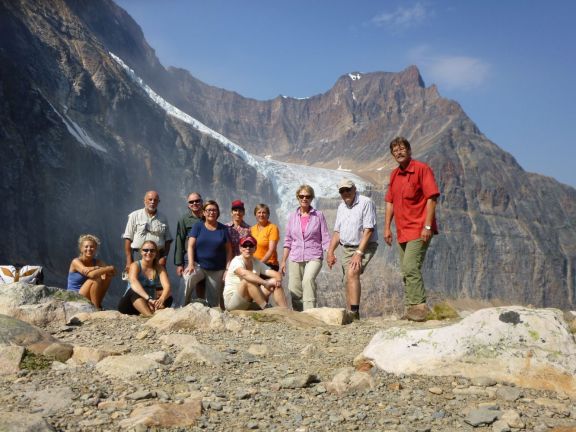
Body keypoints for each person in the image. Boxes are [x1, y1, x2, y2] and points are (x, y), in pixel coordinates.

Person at [384, 136, 440, 322]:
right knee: (406, 270)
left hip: (419, 228)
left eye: (402, 149)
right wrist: (387, 228)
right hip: (402, 230)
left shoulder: (421, 169)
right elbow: (390, 202)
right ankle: (410, 309)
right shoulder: (394, 175)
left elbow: (431, 198)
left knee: (410, 266)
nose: (399, 152)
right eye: (395, 150)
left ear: (409, 150)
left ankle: (419, 307)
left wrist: (427, 225)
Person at [327, 179, 378, 320]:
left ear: (354, 189)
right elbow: (337, 232)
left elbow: (368, 230)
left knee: (352, 272)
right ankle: (350, 313)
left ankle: (355, 315)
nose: (345, 193)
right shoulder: (341, 207)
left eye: (348, 190)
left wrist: (359, 253)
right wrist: (330, 251)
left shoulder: (365, 202)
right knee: (347, 280)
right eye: (342, 191)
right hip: (347, 247)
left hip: (364, 245)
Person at [280, 185, 330, 311]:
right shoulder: (292, 216)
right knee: (294, 287)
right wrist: (283, 261)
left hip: (314, 255)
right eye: (301, 196)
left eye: (307, 196)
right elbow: (288, 240)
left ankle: (310, 313)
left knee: (308, 280)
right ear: (298, 197)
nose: (304, 199)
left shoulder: (318, 215)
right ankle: (298, 315)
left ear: (311, 198)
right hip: (295, 256)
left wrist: (330, 253)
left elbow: (325, 237)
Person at [184, 200, 233, 308]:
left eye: (214, 210)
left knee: (213, 302)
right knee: (187, 276)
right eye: (209, 210)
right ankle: (181, 305)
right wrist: (191, 263)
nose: (212, 212)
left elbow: (229, 250)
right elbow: (190, 246)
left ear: (218, 213)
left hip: (217, 269)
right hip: (199, 266)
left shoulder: (223, 229)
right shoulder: (198, 226)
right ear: (204, 213)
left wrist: (227, 269)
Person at [224, 235, 288, 311]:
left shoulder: (256, 262)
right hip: (233, 302)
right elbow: (244, 274)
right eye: (244, 245)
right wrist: (265, 283)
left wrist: (278, 280)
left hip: (250, 300)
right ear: (240, 248)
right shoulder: (236, 260)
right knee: (247, 280)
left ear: (255, 248)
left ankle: (285, 311)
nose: (248, 248)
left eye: (251, 246)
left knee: (274, 282)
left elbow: (276, 274)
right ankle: (266, 307)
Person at [118, 240, 173, 316]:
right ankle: (150, 316)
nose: (149, 253)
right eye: (145, 250)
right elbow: (133, 281)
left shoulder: (159, 268)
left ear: (156, 253)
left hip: (150, 300)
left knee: (167, 296)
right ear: (141, 252)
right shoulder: (135, 265)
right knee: (133, 291)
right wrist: (148, 299)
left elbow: (167, 287)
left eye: (152, 250)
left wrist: (161, 299)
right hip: (131, 303)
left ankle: (153, 309)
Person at [122, 191, 172, 273]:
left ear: (158, 202)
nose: (152, 202)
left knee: (159, 282)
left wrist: (164, 257)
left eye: (155, 200)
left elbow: (168, 239)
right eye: (150, 199)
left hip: (157, 256)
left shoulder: (163, 218)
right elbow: (128, 238)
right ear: (144, 201)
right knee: (136, 281)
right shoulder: (134, 216)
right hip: (138, 255)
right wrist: (128, 260)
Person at [67, 234, 115, 310]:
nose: (89, 249)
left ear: (95, 249)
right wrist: (104, 268)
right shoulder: (76, 262)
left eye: (92, 247)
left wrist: (109, 269)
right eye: (86, 246)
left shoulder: (98, 262)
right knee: (96, 279)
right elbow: (92, 275)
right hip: (74, 297)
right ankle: (96, 308)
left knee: (108, 277)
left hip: (85, 295)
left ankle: (98, 303)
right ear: (81, 249)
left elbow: (113, 272)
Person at [173, 192, 204, 306]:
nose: (194, 203)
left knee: (202, 283)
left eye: (197, 201)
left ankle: (202, 306)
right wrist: (179, 263)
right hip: (189, 257)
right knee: (186, 281)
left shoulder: (208, 217)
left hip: (205, 256)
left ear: (202, 202)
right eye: (191, 202)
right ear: (188, 205)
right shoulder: (184, 219)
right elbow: (179, 240)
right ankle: (181, 306)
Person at [250, 204, 280, 271]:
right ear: (255, 214)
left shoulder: (272, 228)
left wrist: (259, 264)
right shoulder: (252, 229)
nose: (261, 215)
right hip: (255, 263)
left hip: (269, 264)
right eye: (259, 212)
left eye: (264, 212)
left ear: (268, 215)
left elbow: (271, 250)